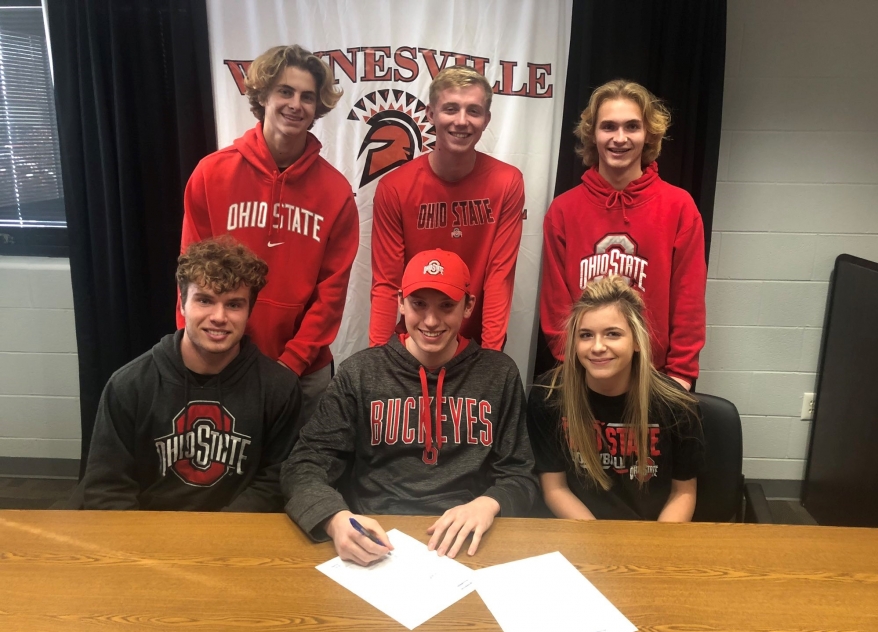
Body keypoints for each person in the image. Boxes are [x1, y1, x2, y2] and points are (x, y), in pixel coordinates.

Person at [283, 249, 537, 565]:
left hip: (468, 539)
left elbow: (521, 474)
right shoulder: (360, 373)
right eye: (419, 305)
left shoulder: (498, 374)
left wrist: (490, 503)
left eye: (446, 306)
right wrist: (335, 519)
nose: (431, 321)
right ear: (401, 302)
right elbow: (305, 464)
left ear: (468, 306)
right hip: (376, 538)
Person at [179, 44, 359, 425]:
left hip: (303, 372)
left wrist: (290, 365)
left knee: (303, 477)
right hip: (221, 360)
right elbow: (190, 276)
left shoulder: (336, 191)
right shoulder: (211, 174)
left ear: (317, 108)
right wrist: (192, 349)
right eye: (285, 91)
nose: (296, 104)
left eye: (307, 97)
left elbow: (332, 292)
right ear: (263, 96)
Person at [82, 238, 303, 511]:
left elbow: (275, 482)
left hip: (236, 538)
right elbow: (107, 488)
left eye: (234, 304)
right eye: (205, 300)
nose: (219, 317)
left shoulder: (278, 388)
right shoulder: (129, 385)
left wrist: (216, 539)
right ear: (182, 303)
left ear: (249, 311)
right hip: (149, 540)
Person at [540, 79, 706, 389]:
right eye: (608, 127)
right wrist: (572, 366)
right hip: (584, 376)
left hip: (654, 379)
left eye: (632, 127)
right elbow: (555, 304)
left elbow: (689, 301)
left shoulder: (679, 207)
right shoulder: (563, 210)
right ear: (593, 134)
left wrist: (680, 374)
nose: (620, 138)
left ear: (648, 135)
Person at [369, 65, 525, 352]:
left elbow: (499, 277)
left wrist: (491, 356)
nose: (462, 121)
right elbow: (386, 284)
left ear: (487, 119)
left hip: (475, 345)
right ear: (430, 114)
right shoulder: (395, 187)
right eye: (451, 109)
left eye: (473, 111)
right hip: (413, 341)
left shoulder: (506, 182)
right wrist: (375, 361)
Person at [528, 275, 704, 522]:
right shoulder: (548, 397)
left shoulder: (676, 406)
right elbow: (555, 488)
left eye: (612, 334)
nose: (597, 346)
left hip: (652, 536)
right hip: (580, 535)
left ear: (636, 341)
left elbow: (682, 493)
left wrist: (656, 549)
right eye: (586, 335)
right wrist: (598, 545)